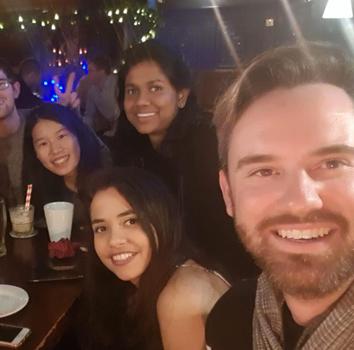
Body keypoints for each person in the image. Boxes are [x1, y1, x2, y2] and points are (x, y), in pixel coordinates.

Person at [206, 43, 354, 350]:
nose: (300, 200)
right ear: (228, 194)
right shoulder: (231, 321)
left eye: (332, 163)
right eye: (264, 171)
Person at [112, 40, 256, 281]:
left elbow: (218, 235)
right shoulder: (131, 148)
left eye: (155, 88)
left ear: (181, 96)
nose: (141, 101)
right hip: (161, 270)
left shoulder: (208, 144)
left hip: (219, 277)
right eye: (132, 90)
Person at [81, 168, 229, 350]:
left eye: (131, 221)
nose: (114, 241)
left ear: (160, 217)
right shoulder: (147, 284)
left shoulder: (180, 295)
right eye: (101, 228)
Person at [0, 56, 77, 206]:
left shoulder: (43, 122)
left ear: (15, 89)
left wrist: (67, 116)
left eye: (1, 84)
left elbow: (98, 155)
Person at [22, 103, 111, 223]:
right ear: (35, 153)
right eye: (43, 143)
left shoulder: (109, 183)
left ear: (78, 135)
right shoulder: (40, 192)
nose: (55, 149)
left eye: (61, 136)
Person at [78, 56, 120, 136]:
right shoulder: (93, 91)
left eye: (90, 71)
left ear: (101, 72)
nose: (87, 75)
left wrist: (115, 130)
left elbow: (122, 109)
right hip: (111, 129)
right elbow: (89, 115)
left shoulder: (116, 83)